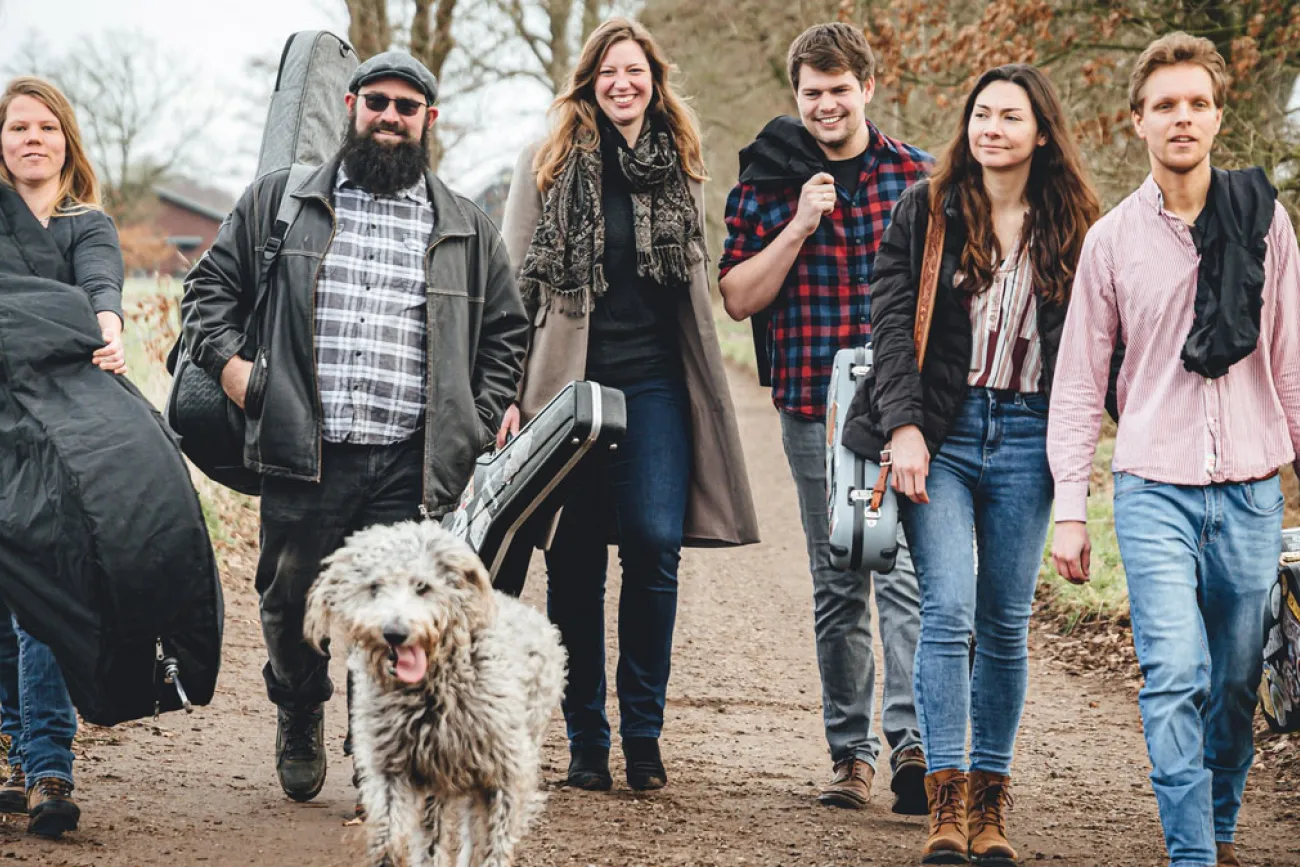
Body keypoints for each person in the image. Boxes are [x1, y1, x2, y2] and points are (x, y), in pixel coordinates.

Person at [181, 51, 528, 803]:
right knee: (290, 601)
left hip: (411, 456)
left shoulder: (465, 225)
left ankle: (375, 732)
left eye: (407, 107)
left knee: (396, 610)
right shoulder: (281, 200)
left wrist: (472, 420)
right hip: (303, 446)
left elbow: (507, 331)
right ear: (351, 105)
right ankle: (299, 705)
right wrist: (240, 375)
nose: (390, 117)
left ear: (429, 120)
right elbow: (208, 291)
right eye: (378, 102)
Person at [1048, 32, 1300, 867]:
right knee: (1175, 674)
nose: (1182, 117)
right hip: (1153, 487)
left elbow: (1292, 363)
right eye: (1165, 105)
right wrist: (1070, 510)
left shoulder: (1267, 221)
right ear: (1138, 122)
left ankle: (1218, 825)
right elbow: (1079, 384)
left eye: (1197, 103)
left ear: (1219, 117)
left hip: (1253, 492)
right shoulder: (1111, 241)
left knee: (1234, 684)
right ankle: (1190, 853)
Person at [841, 64, 1100, 865]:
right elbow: (890, 323)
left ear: (1042, 133)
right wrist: (904, 427)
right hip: (943, 434)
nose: (991, 127)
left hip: (1029, 435)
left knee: (1005, 623)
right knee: (947, 609)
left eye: (1010, 116)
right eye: (981, 113)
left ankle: (990, 801)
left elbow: (1096, 349)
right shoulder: (927, 209)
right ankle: (946, 801)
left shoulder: (1076, 224)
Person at [498, 17, 759, 793]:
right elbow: (512, 288)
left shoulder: (679, 163)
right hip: (567, 394)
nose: (622, 83)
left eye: (634, 71)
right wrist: (507, 397)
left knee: (652, 540)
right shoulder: (546, 163)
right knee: (573, 559)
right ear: (590, 81)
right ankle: (587, 738)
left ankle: (643, 732)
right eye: (608, 71)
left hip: (653, 385)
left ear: (653, 80)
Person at [718, 22, 931, 814]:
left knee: (904, 574)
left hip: (902, 410)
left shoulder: (918, 176)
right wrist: (799, 224)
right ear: (797, 95)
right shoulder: (769, 180)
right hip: (814, 407)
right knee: (840, 577)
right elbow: (737, 297)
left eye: (840, 89)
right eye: (813, 92)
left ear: (867, 88)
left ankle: (915, 744)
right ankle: (851, 755)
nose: (826, 104)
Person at [0, 75, 127, 837]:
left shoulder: (87, 224)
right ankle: (17, 751)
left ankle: (49, 764)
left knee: (39, 597)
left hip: (59, 433)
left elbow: (100, 288)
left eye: (47, 127)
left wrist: (108, 327)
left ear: (66, 141)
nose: (33, 139)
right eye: (19, 126)